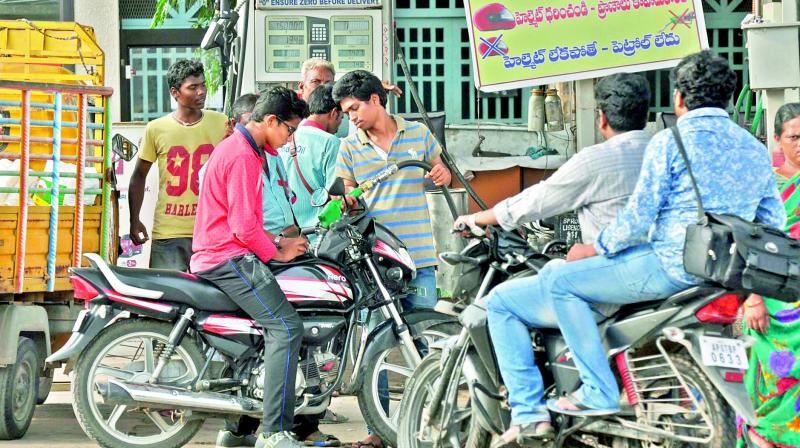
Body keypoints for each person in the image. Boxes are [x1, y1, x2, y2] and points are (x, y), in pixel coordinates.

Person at [542, 50, 785, 416]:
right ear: (729, 99)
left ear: (679, 98)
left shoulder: (669, 141)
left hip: (670, 268)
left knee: (561, 282)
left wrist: (596, 247)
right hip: (726, 278)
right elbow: (772, 220)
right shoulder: (754, 147)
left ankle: (597, 392)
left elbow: (639, 217)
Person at [452, 73, 652, 441]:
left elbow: (537, 200)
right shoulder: (663, 151)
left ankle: (529, 412)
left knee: (502, 303)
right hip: (659, 278)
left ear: (602, 118)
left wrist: (478, 216)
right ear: (647, 113)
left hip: (612, 282)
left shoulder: (596, 160)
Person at [333, 69, 450, 448]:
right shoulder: (350, 147)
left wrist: (443, 173)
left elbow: (445, 170)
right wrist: (346, 201)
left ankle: (431, 421)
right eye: (346, 111)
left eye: (354, 109)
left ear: (376, 100)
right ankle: (378, 429)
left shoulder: (417, 134)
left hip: (419, 255)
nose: (351, 117)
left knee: (427, 340)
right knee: (376, 346)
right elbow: (345, 196)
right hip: (375, 263)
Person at [192, 86, 310, 448]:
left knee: (262, 333)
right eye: (290, 130)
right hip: (227, 256)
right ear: (271, 121)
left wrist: (276, 243)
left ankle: (239, 431)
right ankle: (275, 432)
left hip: (224, 252)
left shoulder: (245, 150)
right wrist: (278, 252)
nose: (290, 140)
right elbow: (243, 228)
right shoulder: (243, 154)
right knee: (288, 329)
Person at [737, 103, 800, 448]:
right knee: (776, 376)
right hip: (773, 301)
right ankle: (764, 434)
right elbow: (749, 244)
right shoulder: (766, 188)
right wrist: (754, 299)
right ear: (777, 140)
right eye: (794, 137)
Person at [129, 59, 227, 270]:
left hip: (211, 232)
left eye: (203, 85)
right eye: (193, 87)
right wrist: (134, 219)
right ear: (175, 92)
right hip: (168, 233)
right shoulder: (156, 128)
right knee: (167, 297)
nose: (201, 91)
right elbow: (138, 176)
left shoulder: (222, 123)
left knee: (211, 300)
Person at [279, 84, 343, 230]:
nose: (340, 124)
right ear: (333, 113)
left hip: (287, 234)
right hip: (318, 234)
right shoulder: (331, 142)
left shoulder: (283, 136)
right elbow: (336, 196)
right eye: (342, 117)